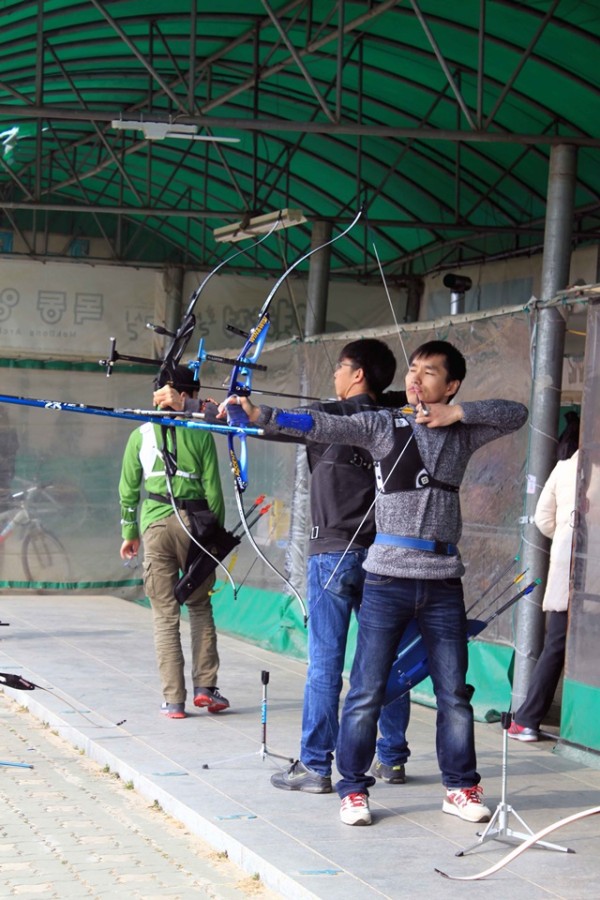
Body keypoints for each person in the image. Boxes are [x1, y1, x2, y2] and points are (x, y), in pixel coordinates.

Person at [219, 340, 528, 826]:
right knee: (366, 689)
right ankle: (353, 789)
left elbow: (516, 413)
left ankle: (460, 787)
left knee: (454, 694)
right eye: (412, 370)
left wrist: (455, 413)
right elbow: (320, 423)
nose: (415, 378)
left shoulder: (462, 433)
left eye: (429, 373)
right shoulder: (384, 425)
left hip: (443, 581)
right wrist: (260, 414)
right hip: (386, 578)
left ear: (451, 385)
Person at [154, 340, 411, 793]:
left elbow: (253, 420)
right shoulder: (397, 420)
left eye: (341, 367)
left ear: (357, 375)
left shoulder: (327, 418)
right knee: (385, 658)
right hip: (384, 556)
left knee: (326, 664)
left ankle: (316, 766)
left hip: (333, 556)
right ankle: (391, 758)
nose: (334, 374)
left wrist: (186, 405)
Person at [119, 365, 229, 719]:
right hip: (196, 527)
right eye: (194, 394)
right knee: (199, 606)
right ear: (185, 395)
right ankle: (205, 689)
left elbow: (127, 490)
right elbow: (214, 492)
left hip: (155, 527)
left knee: (165, 615)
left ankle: (174, 701)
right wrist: (214, 540)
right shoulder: (200, 432)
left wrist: (129, 533)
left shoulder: (140, 434)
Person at [508, 447, 578, 741]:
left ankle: (527, 721)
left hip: (568, 565)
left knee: (555, 646)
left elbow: (542, 518)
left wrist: (564, 533)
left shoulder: (564, 468)